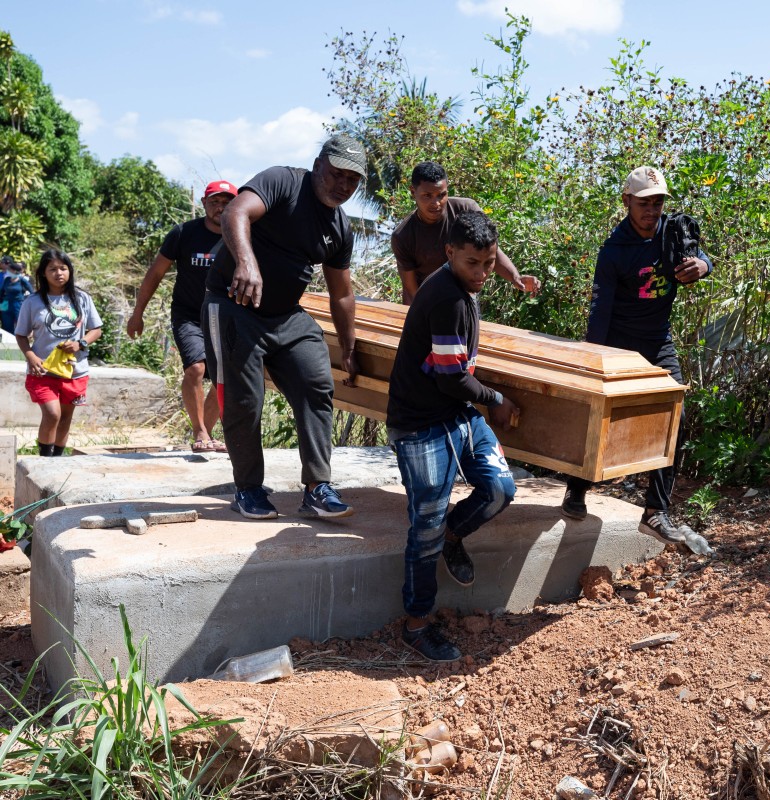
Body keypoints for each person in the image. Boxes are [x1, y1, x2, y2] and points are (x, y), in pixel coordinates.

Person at [203, 134, 364, 521]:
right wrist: (246, 262)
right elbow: (234, 213)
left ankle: (316, 487)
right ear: (319, 164)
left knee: (316, 383)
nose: (342, 186)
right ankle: (248, 490)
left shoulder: (340, 227)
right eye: (337, 174)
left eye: (352, 181)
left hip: (286, 315)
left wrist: (349, 348)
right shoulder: (283, 182)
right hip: (232, 305)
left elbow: (341, 294)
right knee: (245, 400)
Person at [386, 210, 520, 661]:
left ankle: (452, 535)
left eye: (488, 262)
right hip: (422, 424)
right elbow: (449, 378)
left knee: (499, 489)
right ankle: (417, 624)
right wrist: (497, 400)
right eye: (472, 264)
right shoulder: (447, 297)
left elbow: (455, 380)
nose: (482, 273)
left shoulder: (462, 288)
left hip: (456, 413)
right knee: (424, 525)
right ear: (449, 254)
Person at [561, 166, 713, 545]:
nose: (652, 210)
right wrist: (593, 359)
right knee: (602, 418)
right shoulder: (613, 251)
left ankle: (656, 512)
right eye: (644, 203)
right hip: (616, 343)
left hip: (658, 342)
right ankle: (576, 489)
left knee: (672, 415)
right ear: (627, 201)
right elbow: (600, 310)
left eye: (658, 202)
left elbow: (701, 254)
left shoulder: (672, 230)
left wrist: (703, 266)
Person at [127, 179, 238, 452]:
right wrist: (137, 312)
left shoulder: (243, 235)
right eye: (214, 202)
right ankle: (200, 431)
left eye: (227, 202)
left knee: (225, 378)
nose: (220, 208)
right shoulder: (183, 233)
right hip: (189, 314)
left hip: (226, 316)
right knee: (196, 368)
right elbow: (155, 273)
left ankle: (206, 436)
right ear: (204, 203)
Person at [390, 161, 541, 304]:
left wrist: (515, 277)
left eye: (441, 195)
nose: (436, 203)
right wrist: (416, 323)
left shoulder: (466, 209)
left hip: (466, 296)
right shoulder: (403, 236)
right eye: (427, 196)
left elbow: (489, 250)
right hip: (430, 299)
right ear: (412, 191)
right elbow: (411, 292)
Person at [15, 250, 104, 456]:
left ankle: (58, 462)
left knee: (65, 418)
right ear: (43, 273)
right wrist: (31, 356)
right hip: (43, 371)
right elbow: (21, 335)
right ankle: (45, 461)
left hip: (75, 371)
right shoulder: (33, 302)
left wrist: (80, 343)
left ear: (70, 271)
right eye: (52, 269)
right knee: (52, 414)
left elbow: (96, 330)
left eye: (63, 268)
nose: (58, 273)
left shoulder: (82, 298)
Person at [1, 256, 34, 335]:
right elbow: (2, 292)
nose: (8, 271)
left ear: (14, 271)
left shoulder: (22, 280)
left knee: (20, 324)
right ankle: (9, 344)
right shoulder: (7, 280)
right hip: (6, 305)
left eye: (9, 270)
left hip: (18, 304)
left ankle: (20, 341)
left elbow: (32, 292)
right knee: (7, 324)